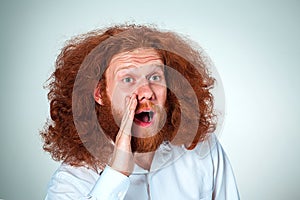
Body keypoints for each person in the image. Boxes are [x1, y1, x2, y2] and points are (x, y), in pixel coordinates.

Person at [41, 24, 240, 199]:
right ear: (100, 94)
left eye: (154, 77)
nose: (146, 93)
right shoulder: (71, 181)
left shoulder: (203, 149)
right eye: (128, 80)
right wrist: (117, 172)